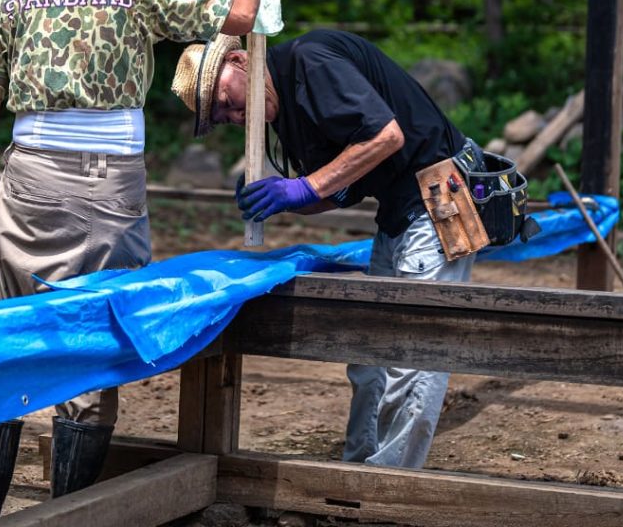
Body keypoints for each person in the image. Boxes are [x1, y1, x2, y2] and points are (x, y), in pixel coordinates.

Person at [0, 0, 272, 527]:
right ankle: (69, 519)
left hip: (27, 179)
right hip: (110, 184)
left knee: (0, 339)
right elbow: (240, 18)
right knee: (91, 341)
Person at [170, 28, 491, 471]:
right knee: (370, 358)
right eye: (220, 116)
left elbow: (385, 137)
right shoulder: (277, 110)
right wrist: (287, 199)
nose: (230, 114)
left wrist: (304, 187)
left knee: (413, 358)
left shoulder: (310, 63)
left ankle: (387, 487)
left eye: (223, 99)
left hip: (441, 202)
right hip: (399, 212)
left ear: (241, 61)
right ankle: (358, 468)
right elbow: (347, 186)